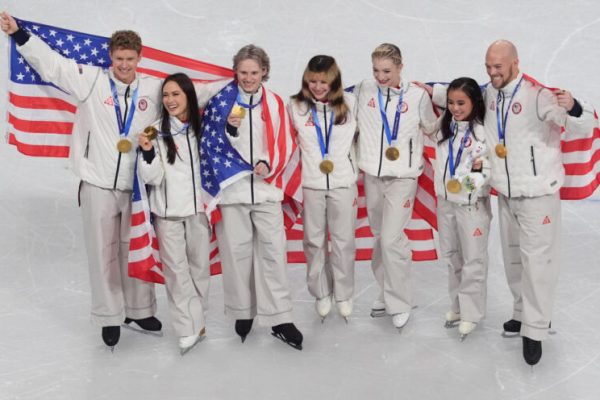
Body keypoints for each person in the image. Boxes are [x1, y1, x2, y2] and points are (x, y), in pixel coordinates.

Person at [0, 12, 163, 348]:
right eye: (119, 58)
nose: (124, 65)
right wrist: (18, 34)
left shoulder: (154, 88)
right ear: (111, 56)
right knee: (102, 252)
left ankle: (139, 310)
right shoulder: (91, 80)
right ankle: (109, 316)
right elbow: (53, 66)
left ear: (139, 58)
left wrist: (232, 83)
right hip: (97, 183)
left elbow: (188, 96)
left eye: (130, 59)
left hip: (136, 185)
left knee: (136, 248)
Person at [430, 40, 597, 365]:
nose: (492, 72)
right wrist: (419, 88)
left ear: (515, 63)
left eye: (498, 66)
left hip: (538, 195)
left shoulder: (538, 95)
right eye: (488, 66)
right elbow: (457, 95)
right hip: (507, 194)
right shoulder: (489, 95)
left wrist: (575, 106)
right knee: (514, 262)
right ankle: (522, 314)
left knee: (537, 264)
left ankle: (535, 330)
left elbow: (580, 126)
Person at [199, 45, 303, 350]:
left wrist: (268, 163)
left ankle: (280, 318)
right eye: (243, 72)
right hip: (232, 191)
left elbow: (285, 142)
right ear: (235, 72)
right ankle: (242, 312)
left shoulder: (275, 102)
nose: (248, 78)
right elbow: (209, 137)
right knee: (236, 254)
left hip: (267, 189)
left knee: (273, 253)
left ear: (264, 72)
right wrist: (227, 130)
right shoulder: (221, 100)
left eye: (254, 72)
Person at [353, 43, 437, 330]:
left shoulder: (417, 96)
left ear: (401, 67)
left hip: (403, 177)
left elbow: (432, 127)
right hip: (372, 175)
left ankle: (400, 302)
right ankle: (386, 291)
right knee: (380, 237)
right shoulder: (363, 90)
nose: (381, 77)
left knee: (391, 238)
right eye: (376, 70)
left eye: (387, 71)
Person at [137, 73, 211, 355]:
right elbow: (152, 177)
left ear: (188, 96)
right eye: (166, 95)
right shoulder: (155, 131)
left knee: (199, 270)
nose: (170, 100)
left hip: (198, 212)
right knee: (177, 274)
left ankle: (198, 321)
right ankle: (187, 327)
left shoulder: (201, 128)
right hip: (168, 215)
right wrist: (147, 153)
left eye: (176, 94)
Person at [289, 55, 358, 323]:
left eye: (324, 82)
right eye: (313, 81)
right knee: (314, 241)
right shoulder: (295, 106)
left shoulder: (351, 104)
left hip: (342, 182)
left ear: (335, 81)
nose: (318, 87)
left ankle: (344, 293)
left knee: (343, 241)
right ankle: (321, 292)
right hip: (311, 184)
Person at [432, 77, 491, 341]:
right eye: (451, 102)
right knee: (452, 257)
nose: (455, 108)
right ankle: (457, 306)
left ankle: (471, 313)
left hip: (471, 206)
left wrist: (464, 187)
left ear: (474, 102)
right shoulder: (444, 127)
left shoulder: (482, 134)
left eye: (461, 103)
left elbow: (484, 172)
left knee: (473, 260)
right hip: (445, 202)